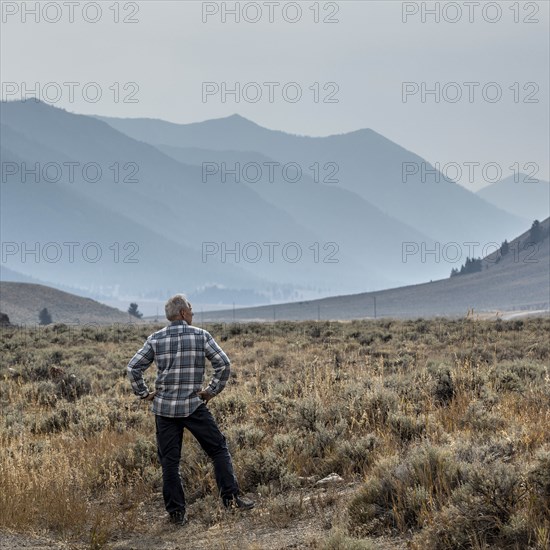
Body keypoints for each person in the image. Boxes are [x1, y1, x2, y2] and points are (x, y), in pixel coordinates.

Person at [127, 294, 254, 525]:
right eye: (191, 309)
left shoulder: (155, 339)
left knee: (170, 462)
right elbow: (223, 364)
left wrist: (144, 394)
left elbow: (133, 367)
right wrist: (211, 391)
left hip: (164, 409)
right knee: (218, 449)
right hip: (194, 406)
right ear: (183, 314)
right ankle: (231, 500)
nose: (193, 313)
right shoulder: (201, 336)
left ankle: (176, 514)